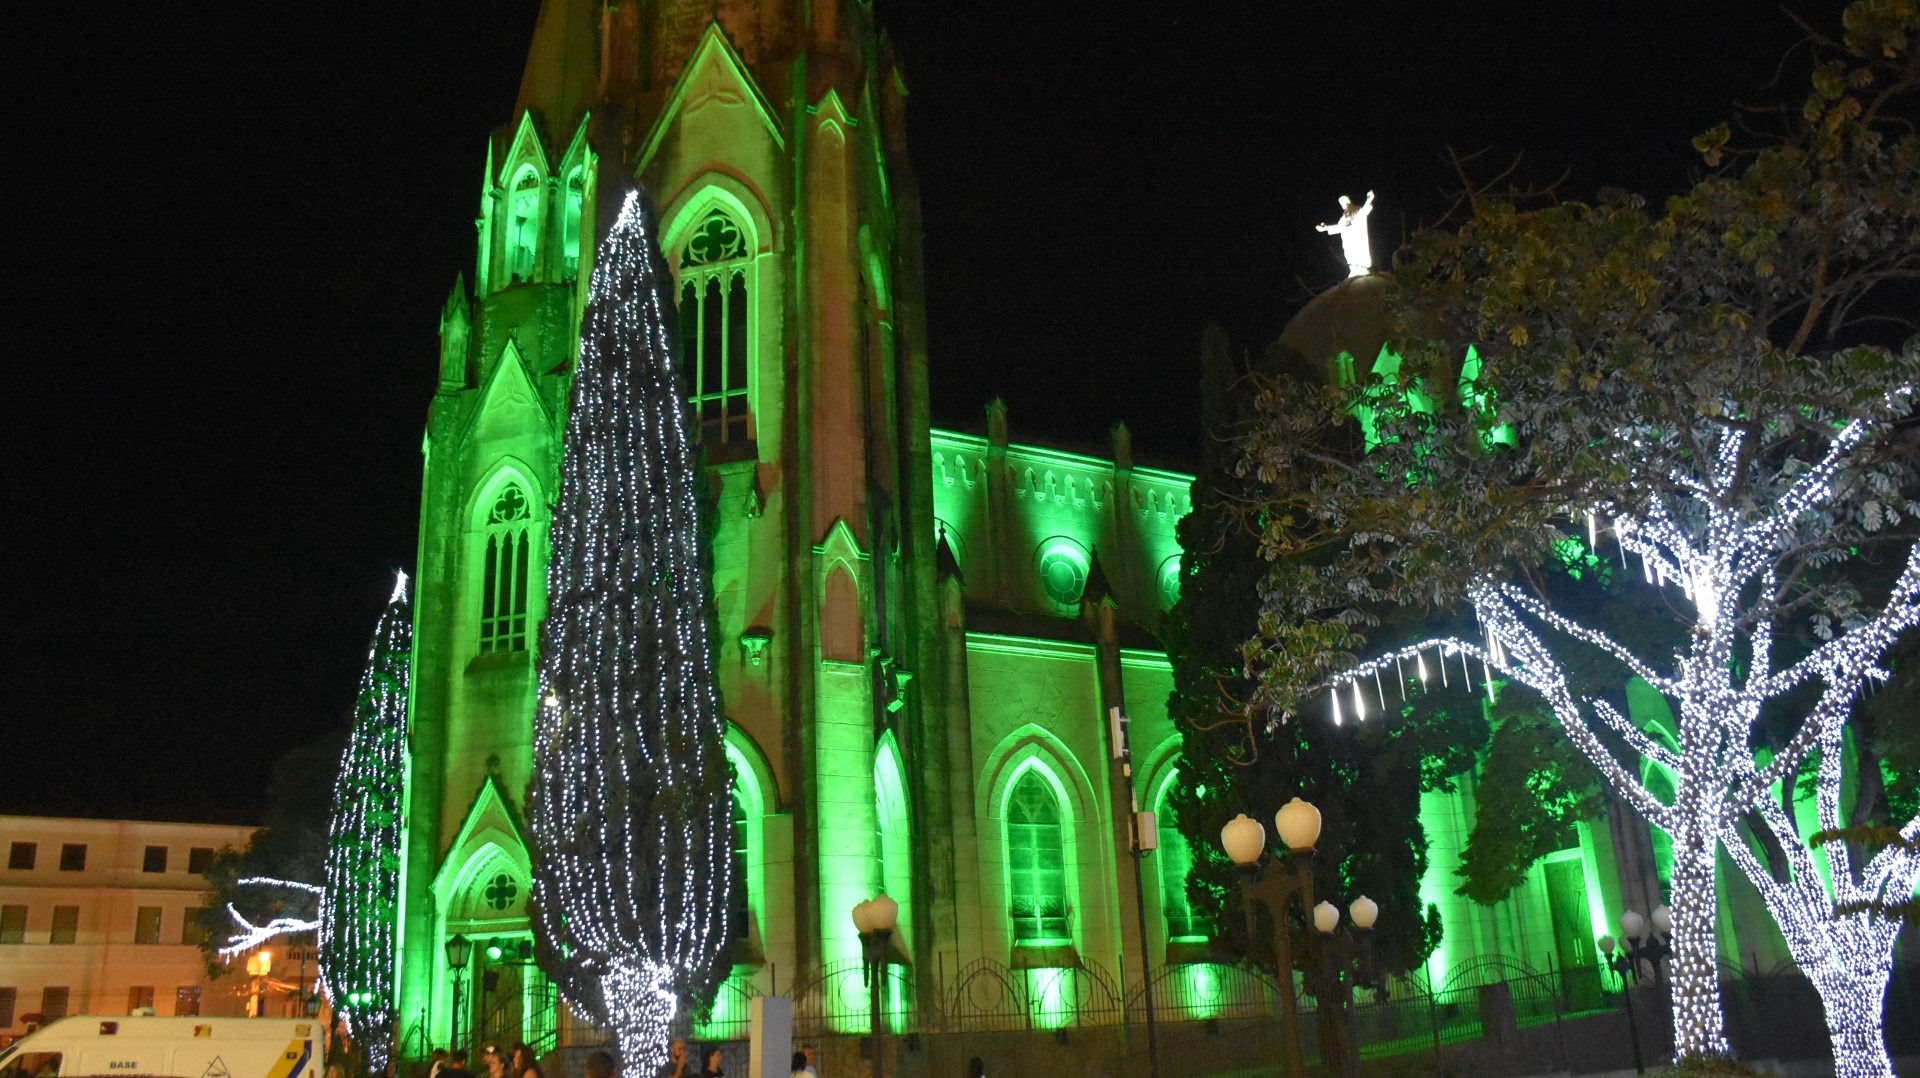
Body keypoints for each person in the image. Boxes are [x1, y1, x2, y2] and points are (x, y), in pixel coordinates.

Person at [1314, 190, 1377, 278]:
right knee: (1349, 255)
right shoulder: (1343, 217)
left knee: (1358, 253)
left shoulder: (1356, 210)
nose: (1341, 204)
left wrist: (1369, 200)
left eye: (1343, 202)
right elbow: (1339, 227)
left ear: (1348, 201)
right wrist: (1325, 228)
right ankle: (1354, 269)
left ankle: (1362, 269)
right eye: (1340, 203)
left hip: (1357, 238)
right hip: (1347, 241)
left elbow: (1364, 211)